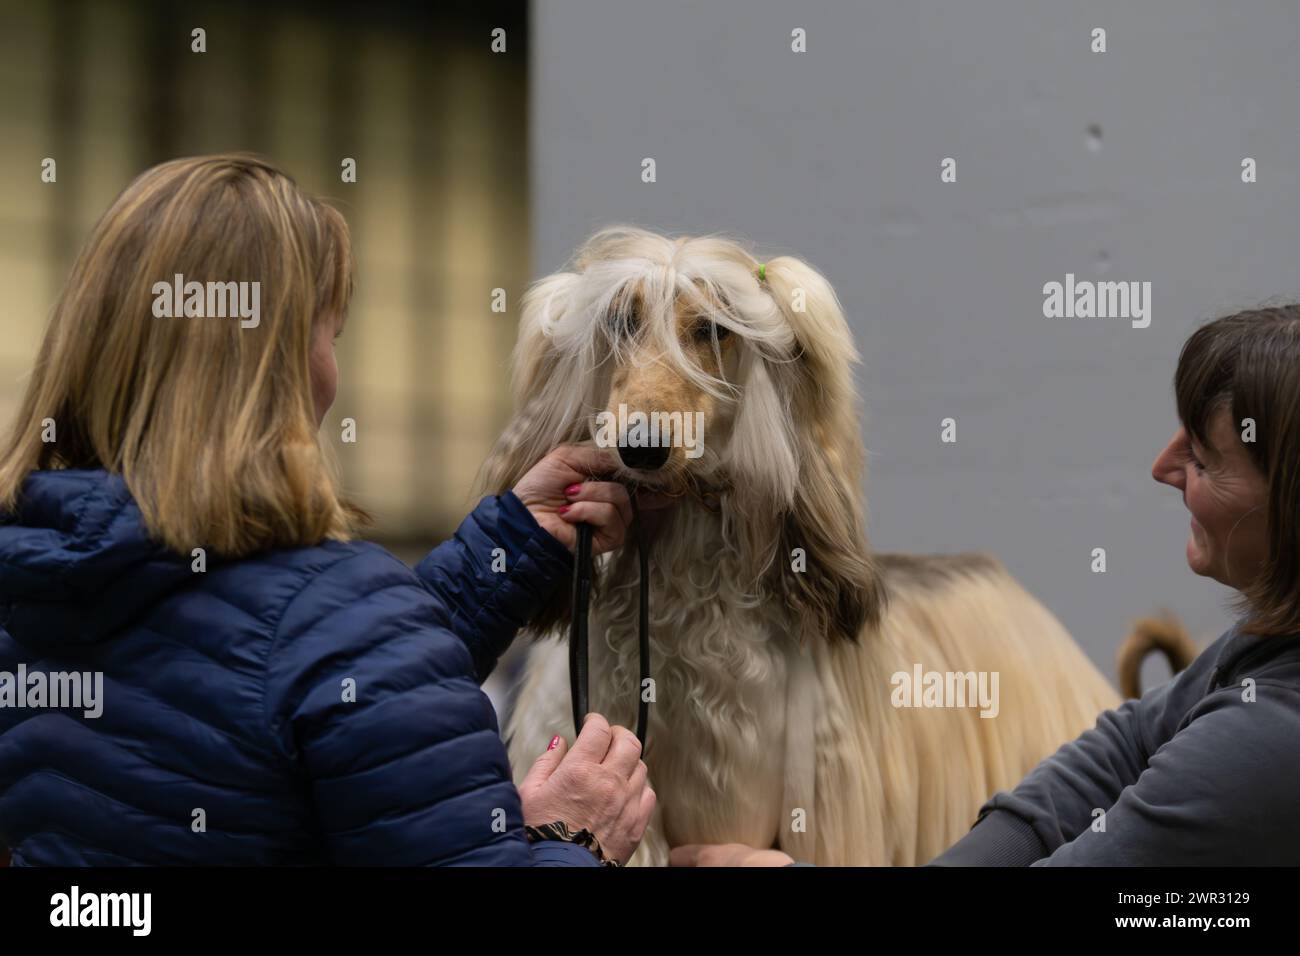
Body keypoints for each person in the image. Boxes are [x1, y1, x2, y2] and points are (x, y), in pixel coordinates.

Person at [0, 153, 657, 866]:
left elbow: (275, 673)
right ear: (274, 363)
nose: (332, 373)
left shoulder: (37, 587)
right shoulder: (340, 620)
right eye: (328, 335)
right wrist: (572, 840)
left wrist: (510, 544)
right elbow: (322, 662)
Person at [674, 307, 1300, 866]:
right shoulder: (1267, 646)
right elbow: (1126, 745)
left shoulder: (1264, 740)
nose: (1162, 468)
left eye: (1202, 460)